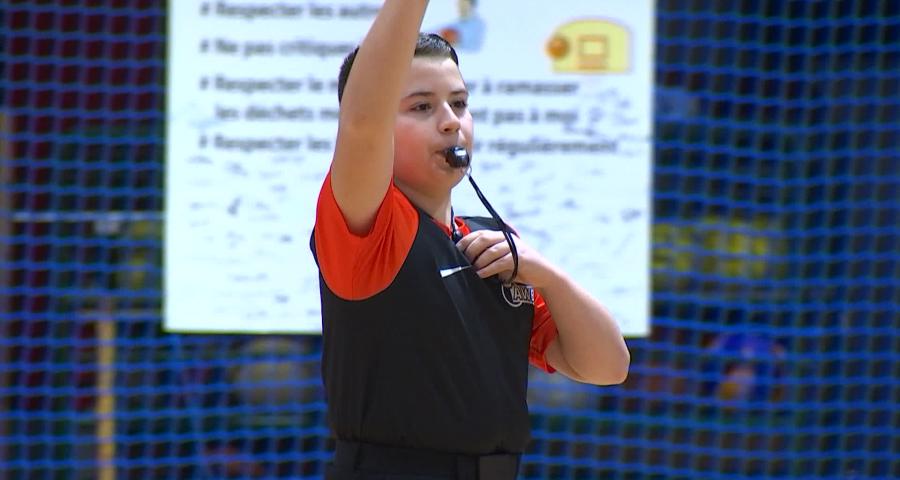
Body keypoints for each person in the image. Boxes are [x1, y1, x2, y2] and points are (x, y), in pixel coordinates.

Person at [311, 1, 630, 478]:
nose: (449, 121)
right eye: (421, 106)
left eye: (458, 103)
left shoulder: (495, 244)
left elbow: (608, 367)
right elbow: (361, 123)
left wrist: (550, 276)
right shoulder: (373, 226)